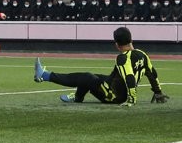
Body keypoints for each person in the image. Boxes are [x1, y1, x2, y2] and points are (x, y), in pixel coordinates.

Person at [34, 26, 169, 106]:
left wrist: (132, 99)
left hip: (113, 96)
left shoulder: (123, 58)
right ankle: (77, 98)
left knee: (86, 77)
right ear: (131, 39)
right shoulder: (142, 54)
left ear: (116, 44)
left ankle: (45, 75)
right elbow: (152, 73)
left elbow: (129, 77)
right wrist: (158, 92)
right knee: (93, 77)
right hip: (114, 86)